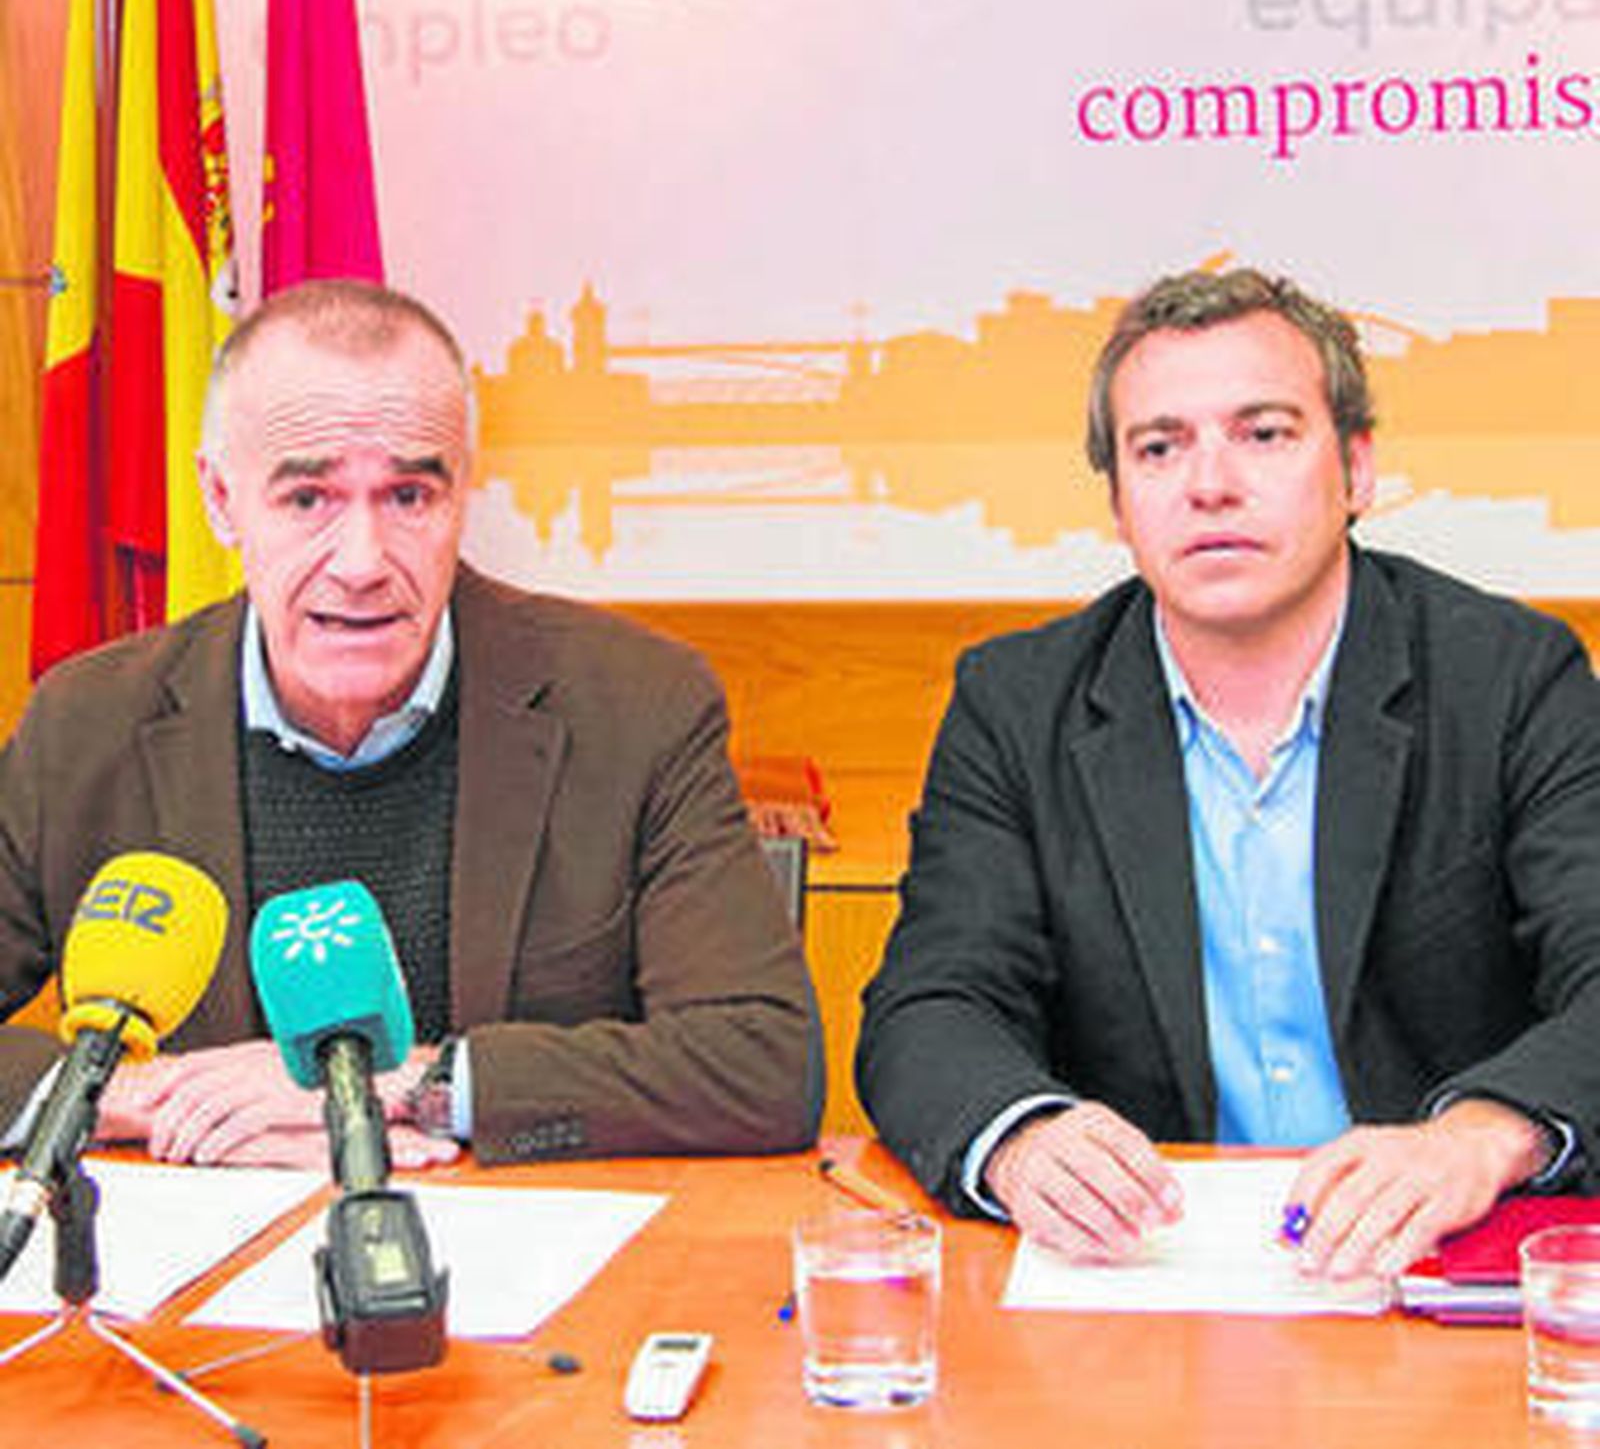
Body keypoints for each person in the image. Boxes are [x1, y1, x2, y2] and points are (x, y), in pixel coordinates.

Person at [858, 267, 1600, 1281]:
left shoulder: (1510, 677)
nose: (1209, 483)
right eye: (1158, 446)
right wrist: (1021, 1134)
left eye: (1263, 433)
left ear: (1357, 466)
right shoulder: (1016, 702)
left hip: (1438, 1268)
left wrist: (1478, 1136)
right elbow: (930, 1003)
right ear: (1118, 501)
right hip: (1148, 1277)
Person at [0, 279, 820, 1171]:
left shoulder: (632, 706)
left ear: (464, 491)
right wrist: (124, 1096)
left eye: (409, 497)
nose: (362, 562)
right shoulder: (88, 726)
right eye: (308, 499)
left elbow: (763, 1061)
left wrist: (401, 1088)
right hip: (190, 1283)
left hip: (524, 1271)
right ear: (221, 500)